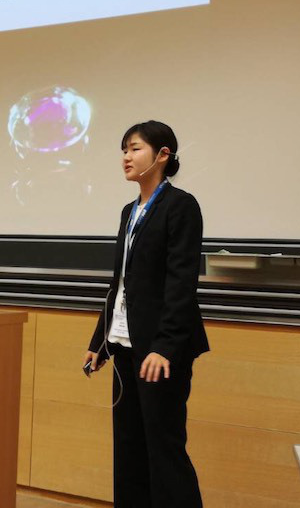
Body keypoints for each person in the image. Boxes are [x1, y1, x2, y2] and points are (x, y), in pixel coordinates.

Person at [84, 120, 209, 508]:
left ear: (163, 155)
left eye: (135, 148)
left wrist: (165, 347)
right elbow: (120, 283)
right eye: (124, 149)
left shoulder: (180, 206)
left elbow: (181, 283)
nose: (126, 156)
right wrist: (100, 342)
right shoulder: (129, 211)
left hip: (160, 351)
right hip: (125, 345)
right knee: (128, 448)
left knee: (164, 448)